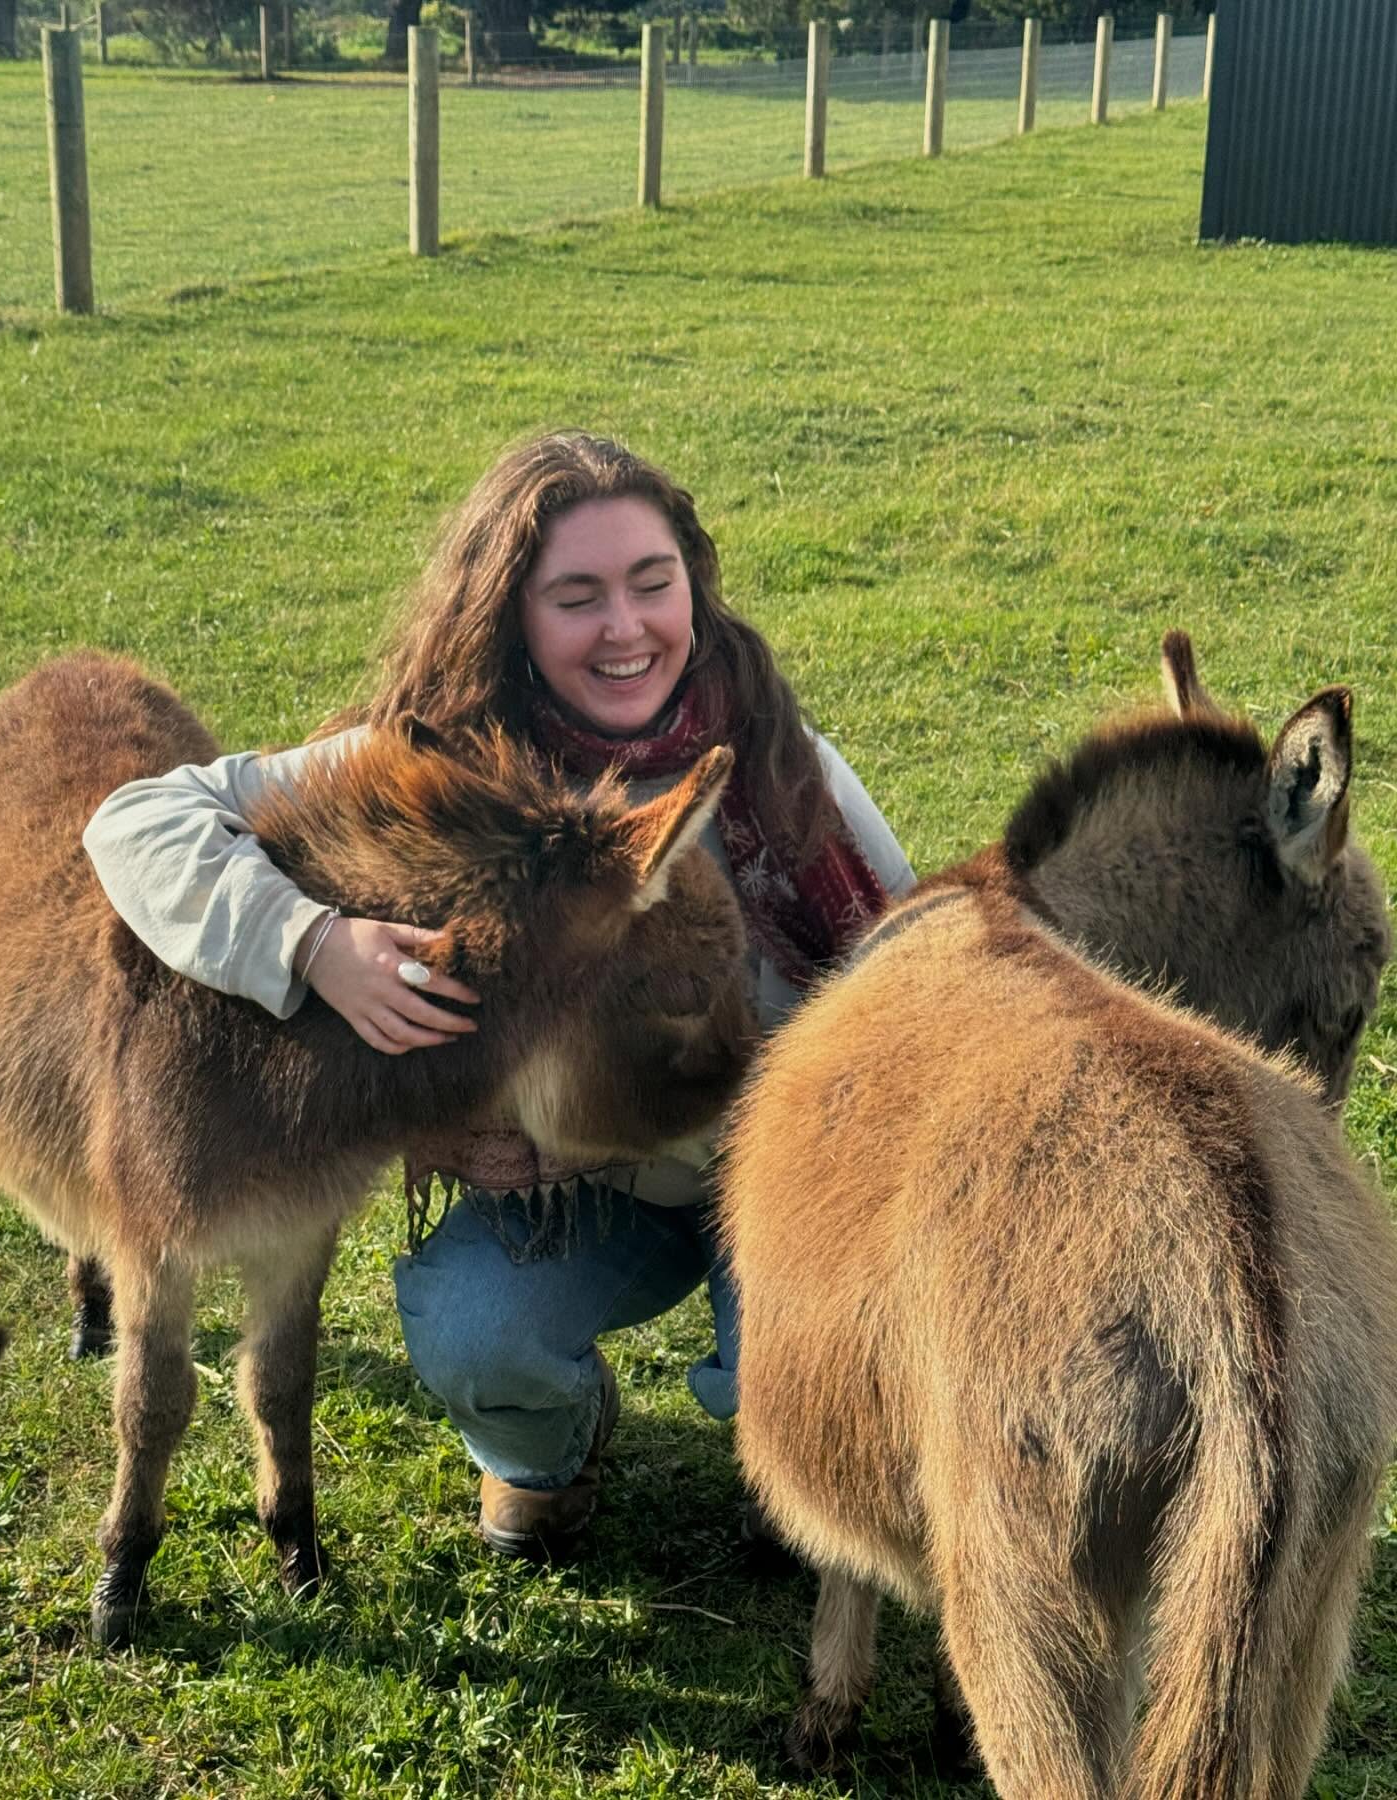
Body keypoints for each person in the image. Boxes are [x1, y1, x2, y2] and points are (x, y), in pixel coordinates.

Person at [84, 431, 916, 1562]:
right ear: (511, 611)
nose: (625, 629)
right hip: (570, 1198)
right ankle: (550, 1443)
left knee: (798, 1405)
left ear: (694, 587)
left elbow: (905, 981)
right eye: (577, 597)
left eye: (652, 583)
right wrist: (309, 942)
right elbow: (136, 821)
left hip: (778, 1162)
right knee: (477, 1331)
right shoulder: (456, 762)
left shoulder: (780, 763)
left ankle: (794, 1416)